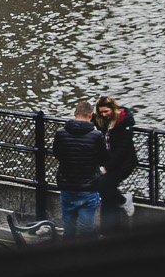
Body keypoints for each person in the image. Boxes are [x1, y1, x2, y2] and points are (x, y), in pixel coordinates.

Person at [51, 99, 105, 236]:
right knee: (87, 230)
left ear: (74, 113)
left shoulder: (61, 133)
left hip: (67, 185)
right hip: (88, 187)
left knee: (68, 228)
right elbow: (102, 158)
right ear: (90, 115)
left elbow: (57, 154)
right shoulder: (96, 135)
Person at [92, 94, 139, 231]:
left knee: (103, 185)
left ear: (113, 109)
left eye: (106, 111)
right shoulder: (100, 119)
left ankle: (123, 202)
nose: (104, 115)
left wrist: (106, 168)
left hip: (124, 163)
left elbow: (122, 150)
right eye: (101, 112)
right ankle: (123, 202)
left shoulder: (124, 123)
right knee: (107, 192)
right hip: (108, 161)